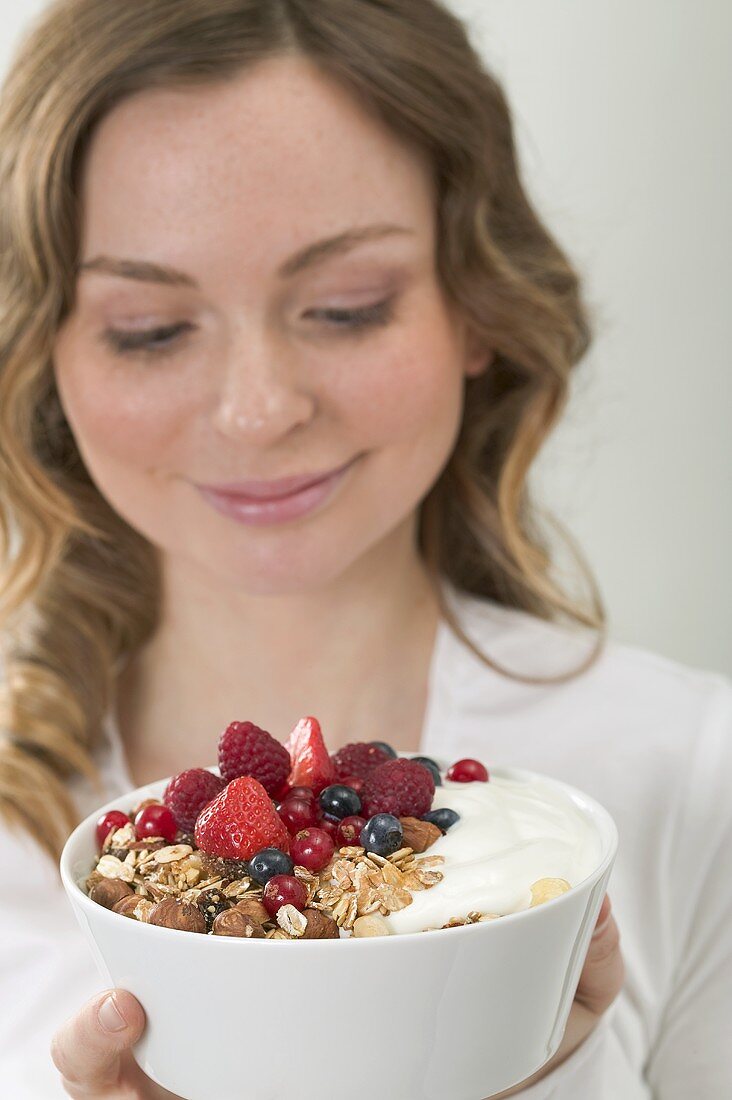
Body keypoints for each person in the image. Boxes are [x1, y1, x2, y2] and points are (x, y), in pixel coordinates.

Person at [0, 0, 728, 1097]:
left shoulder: (693, 776)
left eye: (345, 307)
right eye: (149, 327)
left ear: (475, 303)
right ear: (45, 354)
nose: (258, 411)